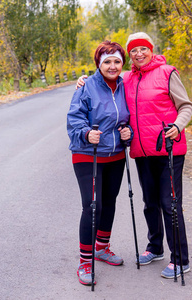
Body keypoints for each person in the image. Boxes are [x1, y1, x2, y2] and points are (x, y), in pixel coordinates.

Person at [76, 32, 192, 279]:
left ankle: (181, 259)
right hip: (141, 151)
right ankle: (155, 247)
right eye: (134, 50)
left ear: (151, 49)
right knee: (150, 203)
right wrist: (83, 81)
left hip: (168, 148)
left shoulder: (168, 73)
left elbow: (186, 106)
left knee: (170, 204)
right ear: (130, 55)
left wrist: (178, 126)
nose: (139, 53)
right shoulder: (127, 78)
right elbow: (105, 82)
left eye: (144, 48)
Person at [67, 40, 132, 286]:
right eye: (107, 61)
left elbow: (129, 117)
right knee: (93, 205)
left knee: (109, 203)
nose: (113, 66)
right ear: (98, 63)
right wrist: (86, 133)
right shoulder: (86, 86)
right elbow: (74, 118)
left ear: (122, 63)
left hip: (115, 155)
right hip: (88, 154)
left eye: (117, 61)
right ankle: (85, 261)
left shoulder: (126, 87)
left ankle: (102, 248)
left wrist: (128, 132)